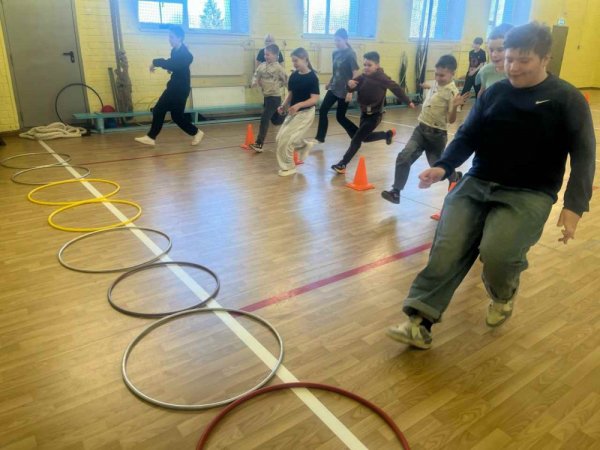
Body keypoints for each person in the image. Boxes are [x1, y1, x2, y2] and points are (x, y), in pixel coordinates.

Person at [386, 22, 596, 350]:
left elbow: (584, 153)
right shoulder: (494, 93)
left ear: (546, 59)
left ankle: (503, 294)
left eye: (523, 60)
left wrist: (574, 206)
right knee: (447, 248)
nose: (512, 67)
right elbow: (468, 135)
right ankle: (420, 321)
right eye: (509, 59)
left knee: (498, 253)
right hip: (478, 182)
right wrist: (443, 166)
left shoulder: (566, 99)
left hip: (529, 192)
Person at [381, 55, 468, 203]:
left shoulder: (453, 93)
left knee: (437, 169)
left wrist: (454, 106)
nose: (438, 78)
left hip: (436, 136)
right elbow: (432, 86)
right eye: (436, 74)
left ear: (452, 74)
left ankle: (455, 177)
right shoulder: (436, 83)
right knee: (404, 156)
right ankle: (396, 192)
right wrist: (424, 85)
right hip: (420, 130)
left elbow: (451, 120)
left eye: (442, 75)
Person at [330, 51, 414, 174]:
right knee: (365, 138)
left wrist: (408, 101)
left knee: (356, 140)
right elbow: (352, 87)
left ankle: (343, 164)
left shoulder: (382, 78)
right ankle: (387, 135)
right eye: (364, 65)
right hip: (364, 114)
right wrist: (349, 85)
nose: (366, 68)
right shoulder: (362, 77)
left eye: (369, 65)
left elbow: (396, 88)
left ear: (377, 65)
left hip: (375, 115)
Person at [134, 26, 203, 147]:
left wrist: (155, 62)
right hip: (176, 87)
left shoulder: (187, 55)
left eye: (172, 37)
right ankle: (196, 133)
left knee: (158, 110)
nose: (169, 39)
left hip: (179, 89)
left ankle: (151, 137)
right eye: (169, 37)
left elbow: (173, 64)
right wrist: (170, 69)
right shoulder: (174, 51)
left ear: (179, 38)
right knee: (177, 116)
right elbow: (173, 65)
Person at [275, 48, 320, 176]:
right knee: (279, 138)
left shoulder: (312, 77)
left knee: (286, 140)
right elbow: (291, 94)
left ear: (305, 59)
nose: (294, 63)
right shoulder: (294, 76)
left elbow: (314, 99)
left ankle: (289, 167)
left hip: (305, 113)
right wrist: (283, 106)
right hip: (293, 112)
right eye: (293, 61)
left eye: (296, 60)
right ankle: (304, 145)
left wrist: (299, 105)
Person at [314, 28, 360, 144]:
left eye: (338, 40)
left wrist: (350, 91)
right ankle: (320, 137)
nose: (336, 43)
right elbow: (336, 71)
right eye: (335, 40)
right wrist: (330, 82)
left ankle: (357, 135)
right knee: (323, 110)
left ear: (345, 39)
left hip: (345, 90)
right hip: (334, 87)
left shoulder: (351, 54)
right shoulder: (335, 53)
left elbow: (355, 74)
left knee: (340, 117)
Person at [250, 44, 287, 152]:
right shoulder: (262, 66)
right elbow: (256, 75)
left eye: (268, 54)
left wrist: (289, 89)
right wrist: (254, 82)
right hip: (266, 97)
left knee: (264, 118)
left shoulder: (278, 68)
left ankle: (259, 143)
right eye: (265, 54)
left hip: (274, 97)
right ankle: (286, 114)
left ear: (275, 56)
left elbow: (286, 80)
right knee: (276, 121)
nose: (265, 56)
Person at [475, 23, 514, 97]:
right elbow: (482, 91)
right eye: (491, 50)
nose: (494, 55)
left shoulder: (518, 73)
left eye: (500, 50)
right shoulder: (485, 71)